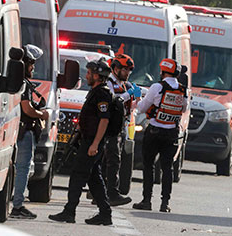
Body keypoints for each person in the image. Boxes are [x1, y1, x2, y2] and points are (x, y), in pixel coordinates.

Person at [49, 59, 113, 225]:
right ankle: (105, 213)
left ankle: (69, 211)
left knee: (78, 175)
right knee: (94, 178)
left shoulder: (102, 93)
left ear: (97, 75)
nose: (87, 76)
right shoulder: (95, 91)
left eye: (89, 73)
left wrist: (95, 144)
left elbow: (104, 120)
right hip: (88, 140)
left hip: (93, 142)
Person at [133, 58, 189, 213]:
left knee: (148, 166)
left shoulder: (157, 87)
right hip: (171, 133)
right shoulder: (183, 90)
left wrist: (137, 98)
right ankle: (165, 203)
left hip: (154, 132)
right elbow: (184, 108)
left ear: (163, 71)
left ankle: (147, 201)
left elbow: (142, 108)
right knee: (167, 168)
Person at [10, 45, 49, 219]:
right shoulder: (23, 84)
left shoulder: (17, 82)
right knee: (23, 169)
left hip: (17, 131)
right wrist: (42, 114)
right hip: (24, 132)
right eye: (31, 64)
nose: (33, 68)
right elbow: (27, 109)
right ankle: (17, 206)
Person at [101, 54, 140, 206]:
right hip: (110, 127)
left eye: (129, 70)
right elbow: (113, 101)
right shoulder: (109, 83)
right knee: (113, 161)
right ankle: (112, 193)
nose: (128, 73)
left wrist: (136, 98)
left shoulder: (125, 85)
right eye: (125, 69)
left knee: (108, 161)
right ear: (115, 68)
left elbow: (131, 108)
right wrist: (128, 94)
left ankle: (99, 192)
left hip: (122, 126)